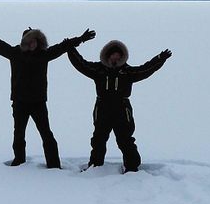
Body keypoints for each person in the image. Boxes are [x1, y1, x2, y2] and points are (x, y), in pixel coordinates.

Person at [0, 18, 95, 168]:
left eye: (35, 41)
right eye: (29, 41)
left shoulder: (44, 54)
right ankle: (19, 161)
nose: (32, 44)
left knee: (46, 134)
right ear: (24, 41)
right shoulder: (14, 53)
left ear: (38, 42)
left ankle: (53, 164)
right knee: (19, 134)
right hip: (19, 101)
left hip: (38, 102)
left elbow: (62, 46)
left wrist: (80, 39)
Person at [67, 40, 171, 173]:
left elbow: (145, 69)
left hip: (122, 109)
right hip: (102, 108)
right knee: (98, 138)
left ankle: (132, 167)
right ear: (108, 56)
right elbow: (81, 64)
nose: (115, 58)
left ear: (122, 57)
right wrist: (70, 49)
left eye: (118, 56)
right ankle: (95, 166)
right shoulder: (98, 70)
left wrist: (159, 59)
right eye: (113, 55)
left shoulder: (127, 72)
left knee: (125, 139)